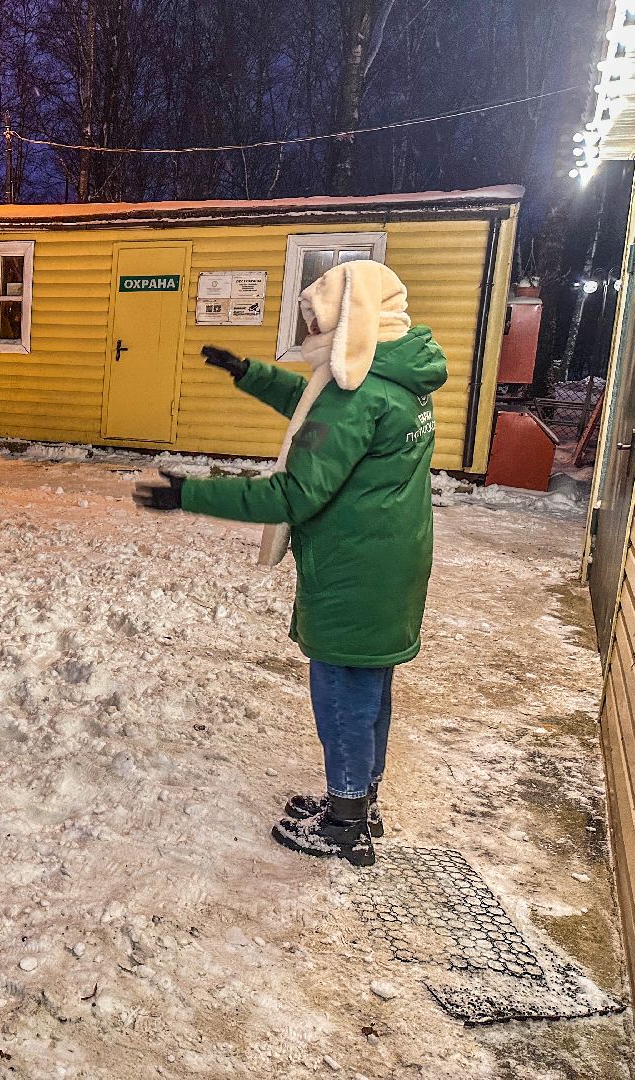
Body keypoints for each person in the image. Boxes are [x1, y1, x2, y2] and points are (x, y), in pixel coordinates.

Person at [133, 261, 447, 868]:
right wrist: (249, 374)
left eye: (315, 317)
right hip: (388, 561)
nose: (307, 328)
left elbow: (293, 492)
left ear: (348, 316)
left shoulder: (357, 395)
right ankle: (360, 798)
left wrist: (189, 494)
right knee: (369, 687)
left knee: (343, 694)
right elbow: (315, 406)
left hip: (354, 571)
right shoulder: (395, 375)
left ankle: (346, 819)